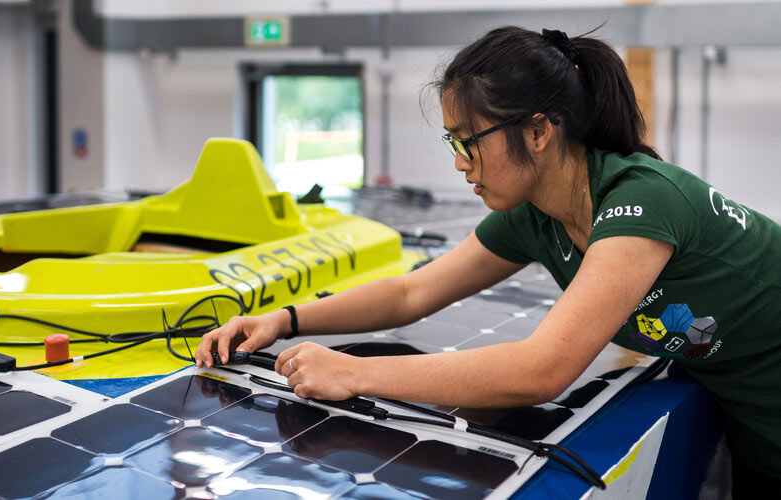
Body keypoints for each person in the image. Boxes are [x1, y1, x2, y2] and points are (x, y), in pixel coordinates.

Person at [195, 26, 781, 496]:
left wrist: (352, 373)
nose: (459, 163)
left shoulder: (641, 201)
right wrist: (284, 319)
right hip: (754, 419)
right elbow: (412, 294)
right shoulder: (537, 215)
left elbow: (543, 371)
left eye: (467, 140)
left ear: (538, 131)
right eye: (453, 142)